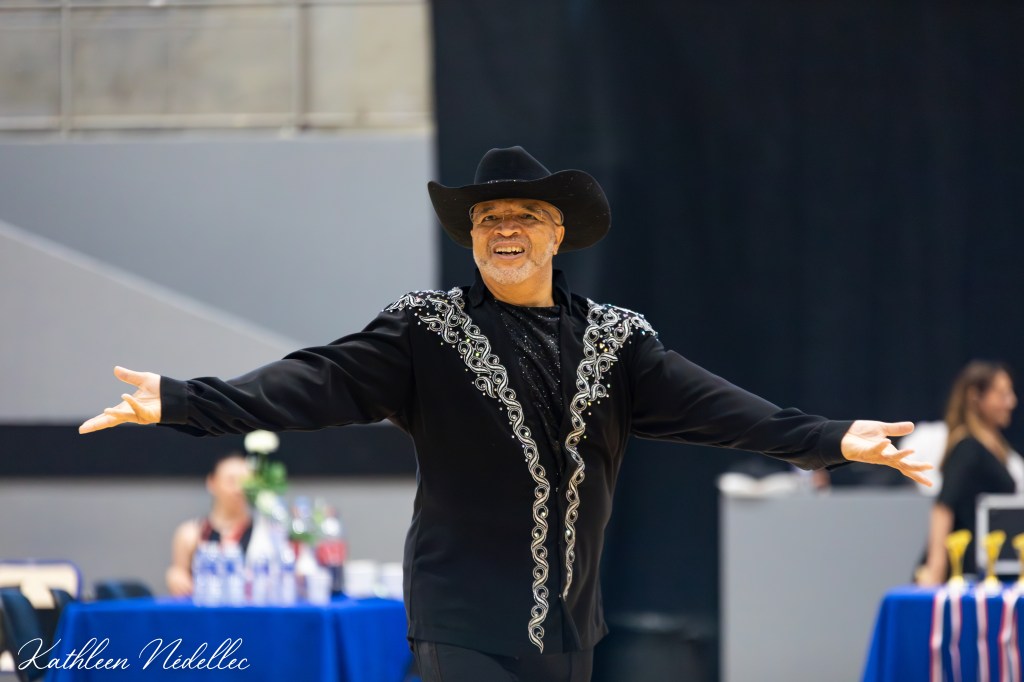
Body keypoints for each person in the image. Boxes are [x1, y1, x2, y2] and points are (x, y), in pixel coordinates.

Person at [80, 146, 930, 682]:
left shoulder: (616, 341)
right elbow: (314, 380)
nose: (504, 230)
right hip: (460, 625)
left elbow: (723, 409)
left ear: (559, 234)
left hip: (568, 631)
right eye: (488, 219)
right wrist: (185, 400)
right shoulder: (427, 331)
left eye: (523, 216)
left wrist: (833, 439)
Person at [916, 361, 1018, 585]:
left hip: (986, 570)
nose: (1011, 402)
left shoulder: (994, 448)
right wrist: (936, 569)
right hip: (962, 575)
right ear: (976, 397)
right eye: (1002, 394)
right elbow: (944, 506)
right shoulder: (967, 447)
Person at [165, 452, 253, 596]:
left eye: (246, 482)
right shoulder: (190, 534)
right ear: (212, 482)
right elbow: (178, 573)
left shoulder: (265, 534)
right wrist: (176, 576)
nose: (239, 489)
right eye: (231, 481)